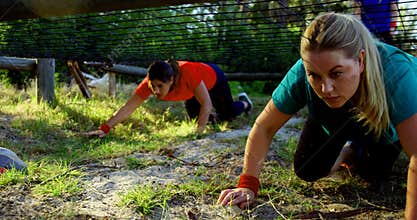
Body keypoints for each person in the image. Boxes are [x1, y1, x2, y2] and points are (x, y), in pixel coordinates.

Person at [218, 13, 417, 219]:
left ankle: (358, 151)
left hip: (384, 125)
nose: (326, 88)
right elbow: (264, 127)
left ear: (360, 61)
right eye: (314, 75)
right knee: (307, 169)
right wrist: (248, 185)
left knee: (373, 175)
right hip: (332, 116)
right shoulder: (301, 75)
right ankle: (348, 151)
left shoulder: (398, 75)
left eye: (336, 73)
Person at [87, 60, 253, 137]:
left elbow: (206, 103)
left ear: (172, 80)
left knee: (228, 114)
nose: (156, 91)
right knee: (198, 118)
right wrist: (105, 128)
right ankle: (213, 119)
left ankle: (245, 103)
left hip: (214, 79)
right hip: (191, 93)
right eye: (153, 86)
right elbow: (128, 108)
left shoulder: (188, 72)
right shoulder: (148, 84)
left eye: (160, 86)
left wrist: (199, 133)